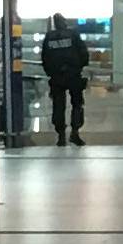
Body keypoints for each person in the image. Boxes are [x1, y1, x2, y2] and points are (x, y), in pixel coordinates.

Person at [41, 12, 89, 146]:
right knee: (77, 104)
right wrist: (79, 66)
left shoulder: (49, 37)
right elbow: (83, 53)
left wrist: (50, 72)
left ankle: (61, 135)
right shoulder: (73, 35)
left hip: (56, 77)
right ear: (64, 22)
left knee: (58, 105)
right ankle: (75, 132)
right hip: (73, 74)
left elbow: (44, 57)